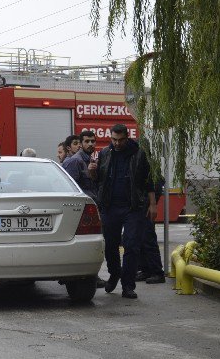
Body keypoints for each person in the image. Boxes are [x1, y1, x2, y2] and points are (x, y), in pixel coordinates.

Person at [97, 124, 157, 299]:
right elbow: (99, 180)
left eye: (120, 140)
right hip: (110, 206)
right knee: (110, 245)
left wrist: (152, 204)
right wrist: (93, 173)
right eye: (114, 140)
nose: (117, 143)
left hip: (133, 206)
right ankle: (115, 273)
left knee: (131, 245)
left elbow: (149, 180)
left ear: (127, 137)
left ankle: (128, 286)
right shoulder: (105, 153)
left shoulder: (139, 153)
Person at [62, 130, 104, 288]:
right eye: (87, 141)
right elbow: (71, 189)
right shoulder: (75, 161)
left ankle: (93, 276)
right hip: (81, 210)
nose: (90, 144)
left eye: (93, 141)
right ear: (80, 143)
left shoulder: (91, 160)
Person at [136, 176, 166, 284]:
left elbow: (157, 184)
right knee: (141, 239)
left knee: (148, 238)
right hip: (140, 204)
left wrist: (151, 204)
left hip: (145, 204)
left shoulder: (148, 165)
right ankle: (146, 270)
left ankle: (157, 272)